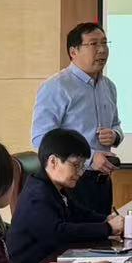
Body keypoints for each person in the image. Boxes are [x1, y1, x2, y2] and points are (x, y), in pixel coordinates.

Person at [32, 21, 122, 220]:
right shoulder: (56, 86)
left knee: (104, 233)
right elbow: (41, 138)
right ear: (73, 52)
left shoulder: (108, 86)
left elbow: (116, 124)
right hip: (71, 182)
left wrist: (115, 135)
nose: (102, 50)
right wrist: (90, 159)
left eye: (104, 43)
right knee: (77, 236)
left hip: (102, 181)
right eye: (94, 44)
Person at [6, 127, 114, 263]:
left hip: (53, 259)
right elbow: (58, 233)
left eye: (82, 166)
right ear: (53, 161)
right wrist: (107, 228)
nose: (80, 173)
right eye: (76, 165)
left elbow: (78, 213)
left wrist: (106, 219)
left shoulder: (54, 187)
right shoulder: (37, 195)